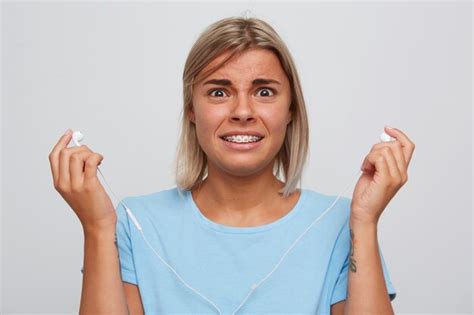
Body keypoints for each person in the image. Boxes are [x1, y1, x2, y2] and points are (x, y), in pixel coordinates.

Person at [49, 16, 415, 315]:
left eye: (264, 91)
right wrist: (97, 227)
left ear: (291, 110)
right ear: (192, 109)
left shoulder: (340, 223)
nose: (242, 112)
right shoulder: (135, 222)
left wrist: (365, 223)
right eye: (219, 92)